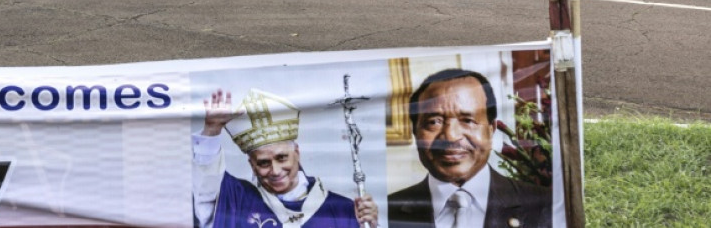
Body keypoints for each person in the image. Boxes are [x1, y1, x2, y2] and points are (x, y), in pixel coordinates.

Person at [387, 69, 551, 228]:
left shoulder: (545, 206)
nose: (451, 136)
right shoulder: (387, 211)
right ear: (415, 131)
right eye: (434, 122)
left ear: (491, 129)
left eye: (467, 120)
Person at [193, 87, 378, 228]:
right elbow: (207, 189)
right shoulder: (239, 200)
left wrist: (369, 225)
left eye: (281, 158)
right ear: (252, 165)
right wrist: (211, 131)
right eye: (263, 163)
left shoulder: (342, 210)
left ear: (296, 153)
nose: (275, 171)